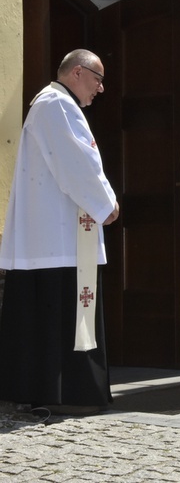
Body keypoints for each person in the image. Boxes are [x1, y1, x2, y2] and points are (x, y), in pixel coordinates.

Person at [0, 49, 119, 415]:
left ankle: (47, 391)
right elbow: (76, 163)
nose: (100, 89)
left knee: (47, 317)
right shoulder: (57, 105)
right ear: (78, 73)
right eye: (98, 79)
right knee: (59, 314)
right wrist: (106, 204)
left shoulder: (55, 104)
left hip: (53, 239)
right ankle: (67, 393)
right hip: (58, 241)